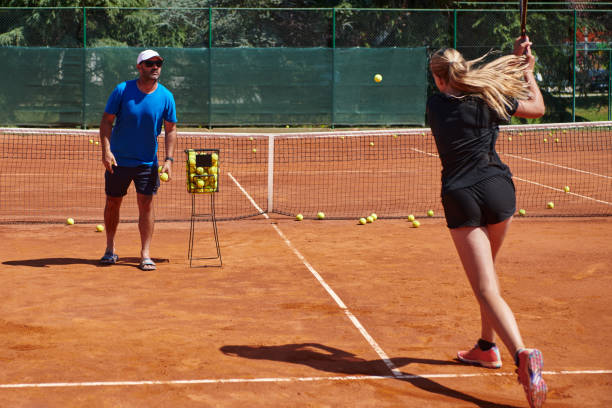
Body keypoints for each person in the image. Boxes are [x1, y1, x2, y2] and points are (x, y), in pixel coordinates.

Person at [427, 37, 546, 408]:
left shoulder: (435, 104)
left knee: (485, 288)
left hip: (463, 198)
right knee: (488, 279)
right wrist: (524, 69)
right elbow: (537, 108)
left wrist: (514, 64)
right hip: (500, 191)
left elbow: (468, 83)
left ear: (438, 78)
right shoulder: (490, 99)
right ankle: (486, 347)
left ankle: (522, 354)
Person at [99, 49, 177, 271]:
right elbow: (106, 122)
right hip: (118, 162)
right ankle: (110, 249)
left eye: (158, 63)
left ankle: (145, 254)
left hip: (147, 163)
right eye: (150, 63)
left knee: (146, 205)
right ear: (139, 67)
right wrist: (106, 151)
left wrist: (169, 160)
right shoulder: (122, 90)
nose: (155, 67)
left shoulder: (166, 96)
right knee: (113, 202)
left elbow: (171, 129)